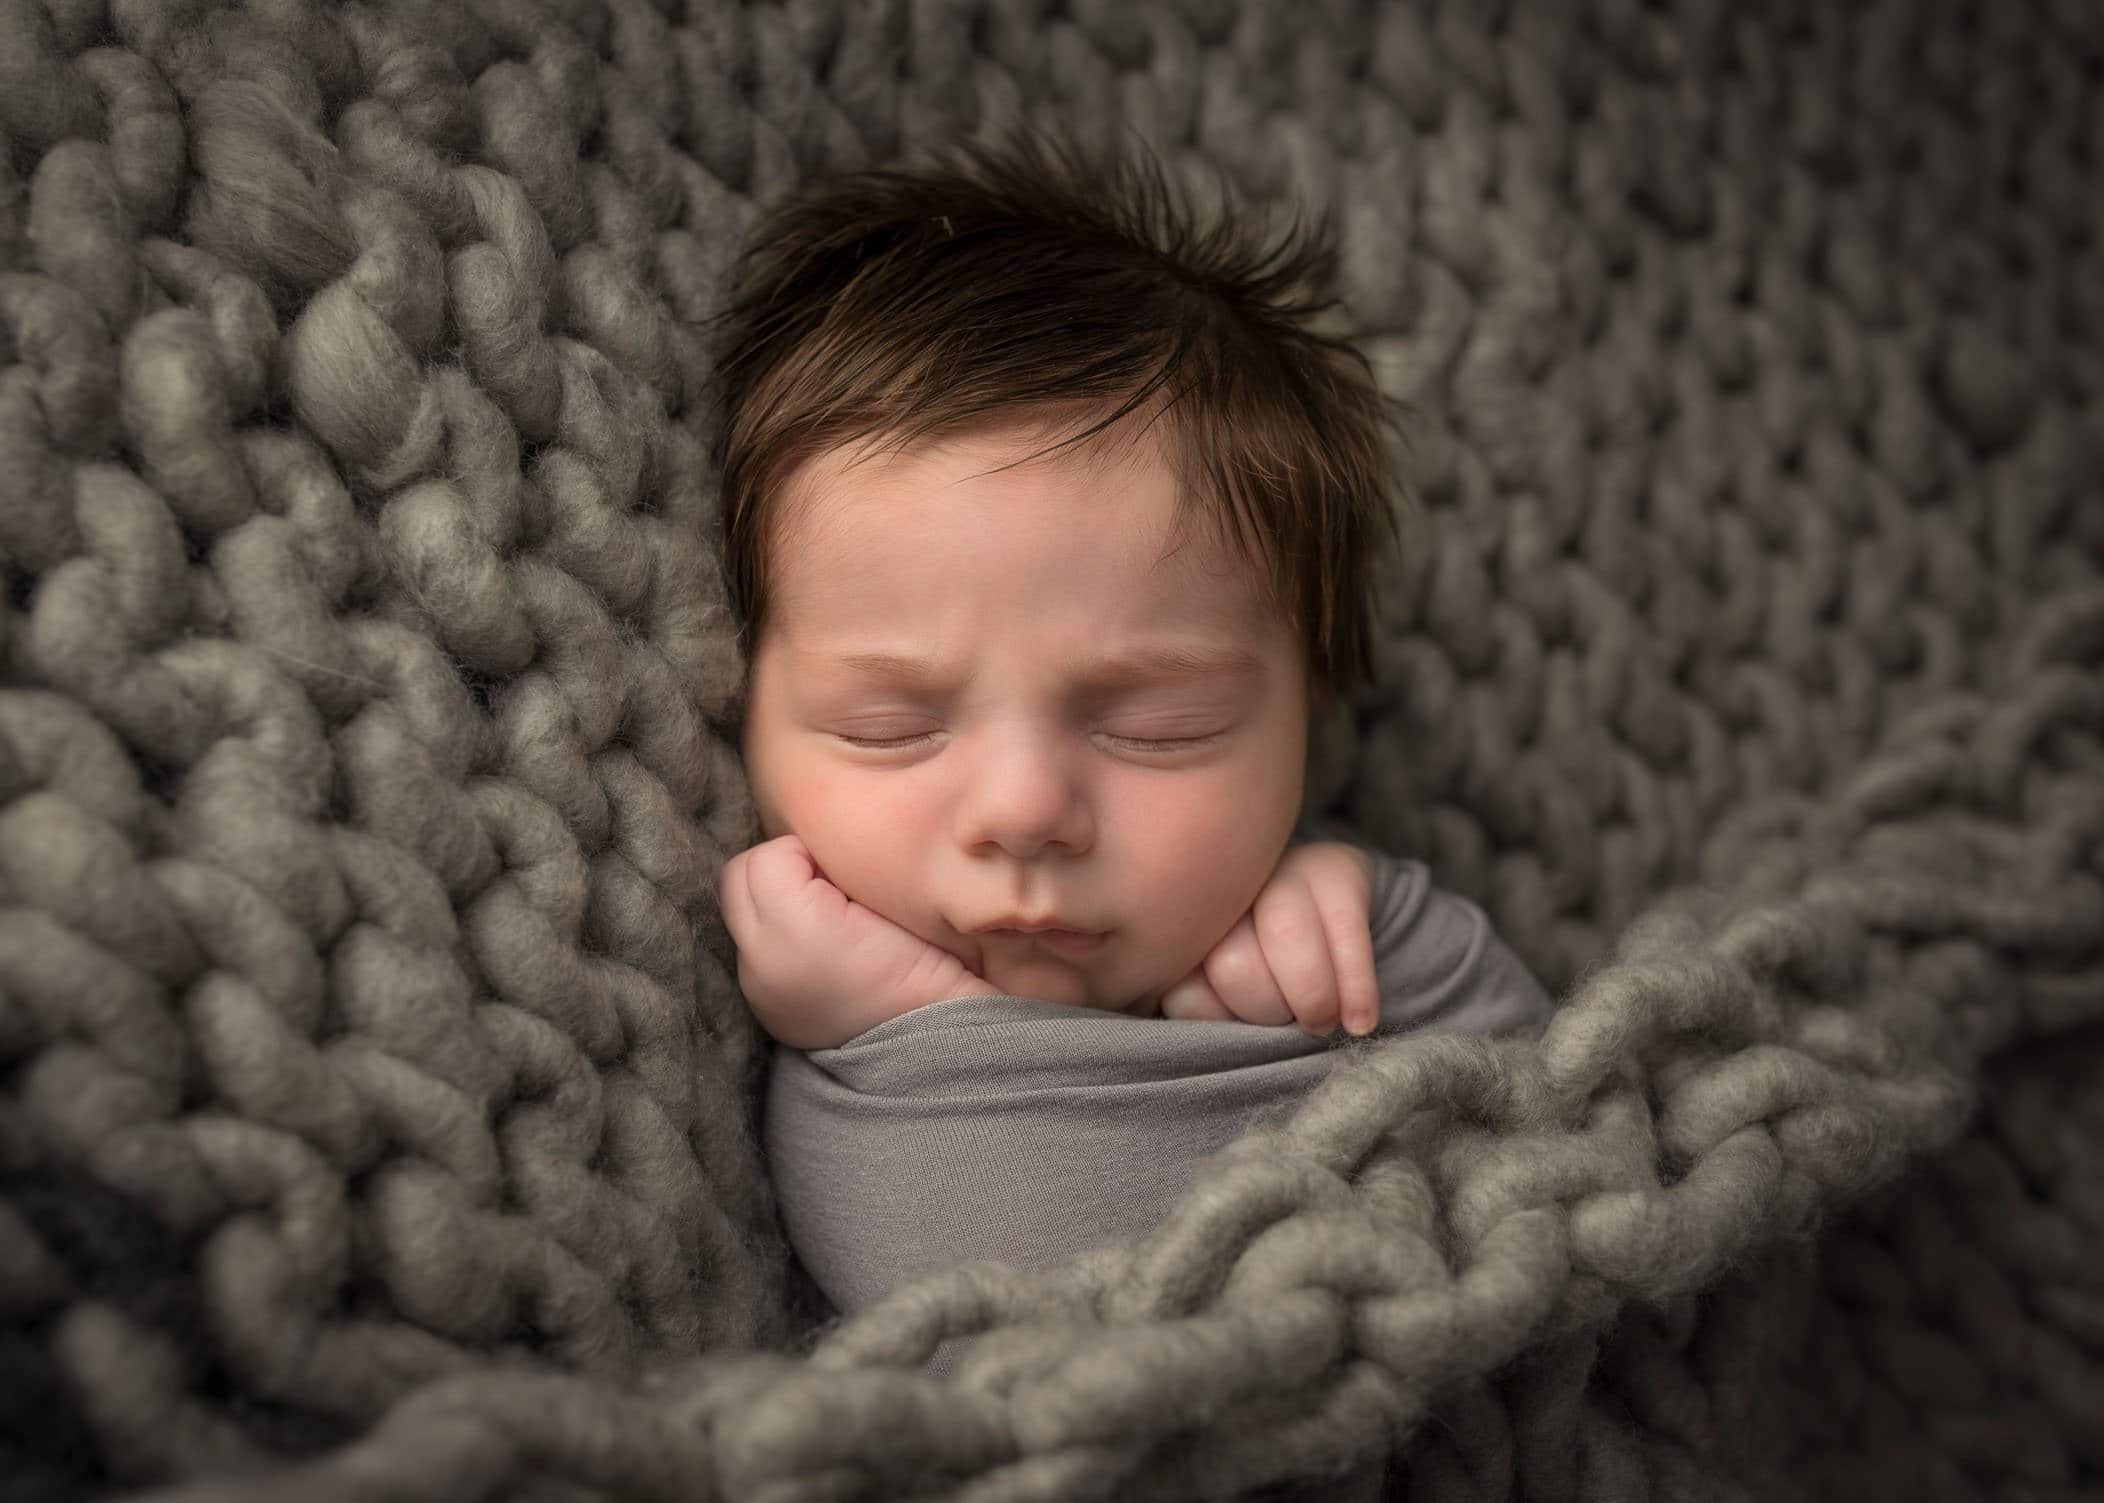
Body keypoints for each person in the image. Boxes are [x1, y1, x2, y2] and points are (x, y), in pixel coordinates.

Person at [706, 131, 1552, 1325]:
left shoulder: (1338, 963)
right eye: (889, 725)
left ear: (1305, 713)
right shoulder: (829, 1017)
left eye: (1162, 726)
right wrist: (901, 1036)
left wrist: (1388, 935)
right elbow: (981, 1322)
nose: (1023, 812)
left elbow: (1558, 1143)